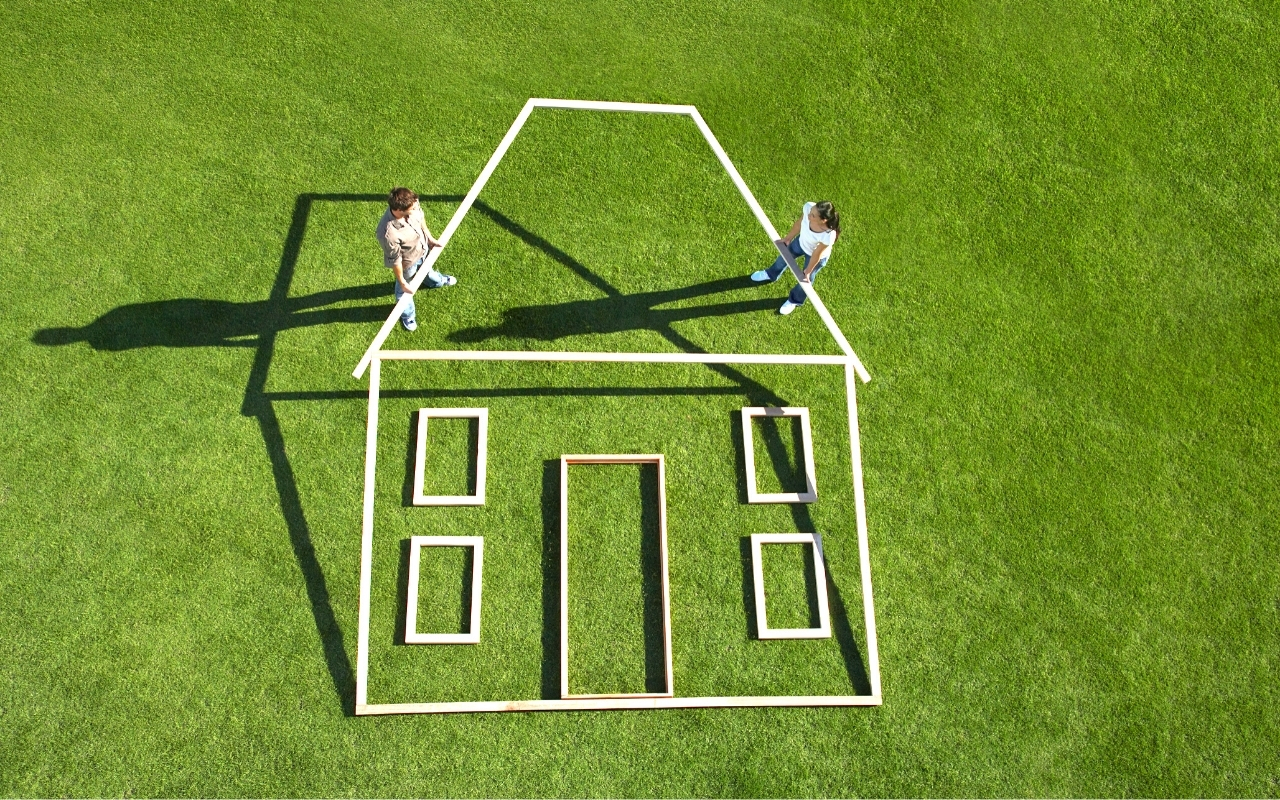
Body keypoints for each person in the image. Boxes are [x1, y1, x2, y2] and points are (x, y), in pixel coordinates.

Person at [376, 187, 456, 331]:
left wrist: (429, 238)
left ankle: (436, 282)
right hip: (408, 263)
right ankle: (407, 315)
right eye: (412, 208)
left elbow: (420, 216)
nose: (415, 208)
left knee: (427, 271)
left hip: (423, 249)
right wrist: (402, 282)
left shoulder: (412, 202)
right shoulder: (388, 233)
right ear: (399, 210)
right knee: (403, 292)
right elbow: (395, 260)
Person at [751, 200, 840, 315]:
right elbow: (799, 223)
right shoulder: (808, 207)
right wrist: (788, 238)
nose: (809, 215)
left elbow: (817, 254)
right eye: (811, 211)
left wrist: (808, 271)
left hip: (816, 256)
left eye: (813, 215)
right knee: (783, 257)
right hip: (801, 242)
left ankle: (795, 300)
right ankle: (771, 274)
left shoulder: (828, 235)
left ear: (823, 220)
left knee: (806, 279)